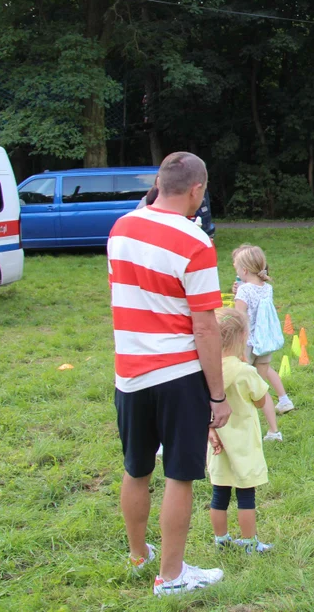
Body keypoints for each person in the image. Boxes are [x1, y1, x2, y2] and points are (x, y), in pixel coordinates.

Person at [108, 151, 228, 596]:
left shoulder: (120, 227)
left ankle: (140, 557)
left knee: (136, 468)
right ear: (197, 190)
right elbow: (206, 325)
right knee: (180, 474)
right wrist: (218, 396)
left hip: (129, 374)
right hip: (178, 375)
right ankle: (172, 576)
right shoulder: (196, 242)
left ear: (159, 183)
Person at [207, 308, 274, 554]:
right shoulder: (246, 371)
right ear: (242, 337)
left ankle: (221, 540)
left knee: (219, 495)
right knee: (246, 496)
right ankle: (249, 543)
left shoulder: (207, 370)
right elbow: (260, 400)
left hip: (217, 445)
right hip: (244, 443)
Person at [232, 245, 293, 437]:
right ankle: (274, 431)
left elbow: (239, 318)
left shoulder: (244, 291)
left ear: (244, 270)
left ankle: (242, 429)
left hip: (247, 344)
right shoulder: (267, 288)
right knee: (260, 387)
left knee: (239, 388)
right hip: (265, 343)